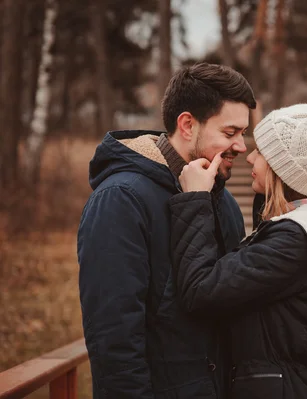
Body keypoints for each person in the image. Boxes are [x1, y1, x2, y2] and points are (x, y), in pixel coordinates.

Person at [170, 100, 307, 398]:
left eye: (261, 152)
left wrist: (194, 200)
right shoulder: (302, 230)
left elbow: (201, 290)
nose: (249, 158)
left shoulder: (292, 241)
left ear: (283, 170)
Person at [77, 63, 255, 399]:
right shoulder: (121, 200)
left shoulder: (225, 201)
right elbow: (114, 339)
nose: (241, 147)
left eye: (243, 133)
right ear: (187, 125)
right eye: (230, 133)